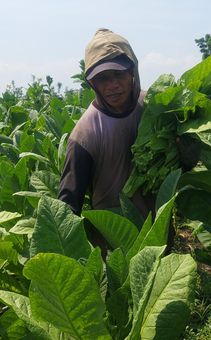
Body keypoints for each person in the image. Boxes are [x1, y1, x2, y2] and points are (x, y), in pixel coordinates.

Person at [58, 28, 154, 252]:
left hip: (156, 228)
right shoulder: (85, 134)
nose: (113, 85)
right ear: (92, 83)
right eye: (102, 78)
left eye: (119, 74)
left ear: (132, 72)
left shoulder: (154, 107)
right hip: (114, 242)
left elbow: (182, 164)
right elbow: (67, 204)